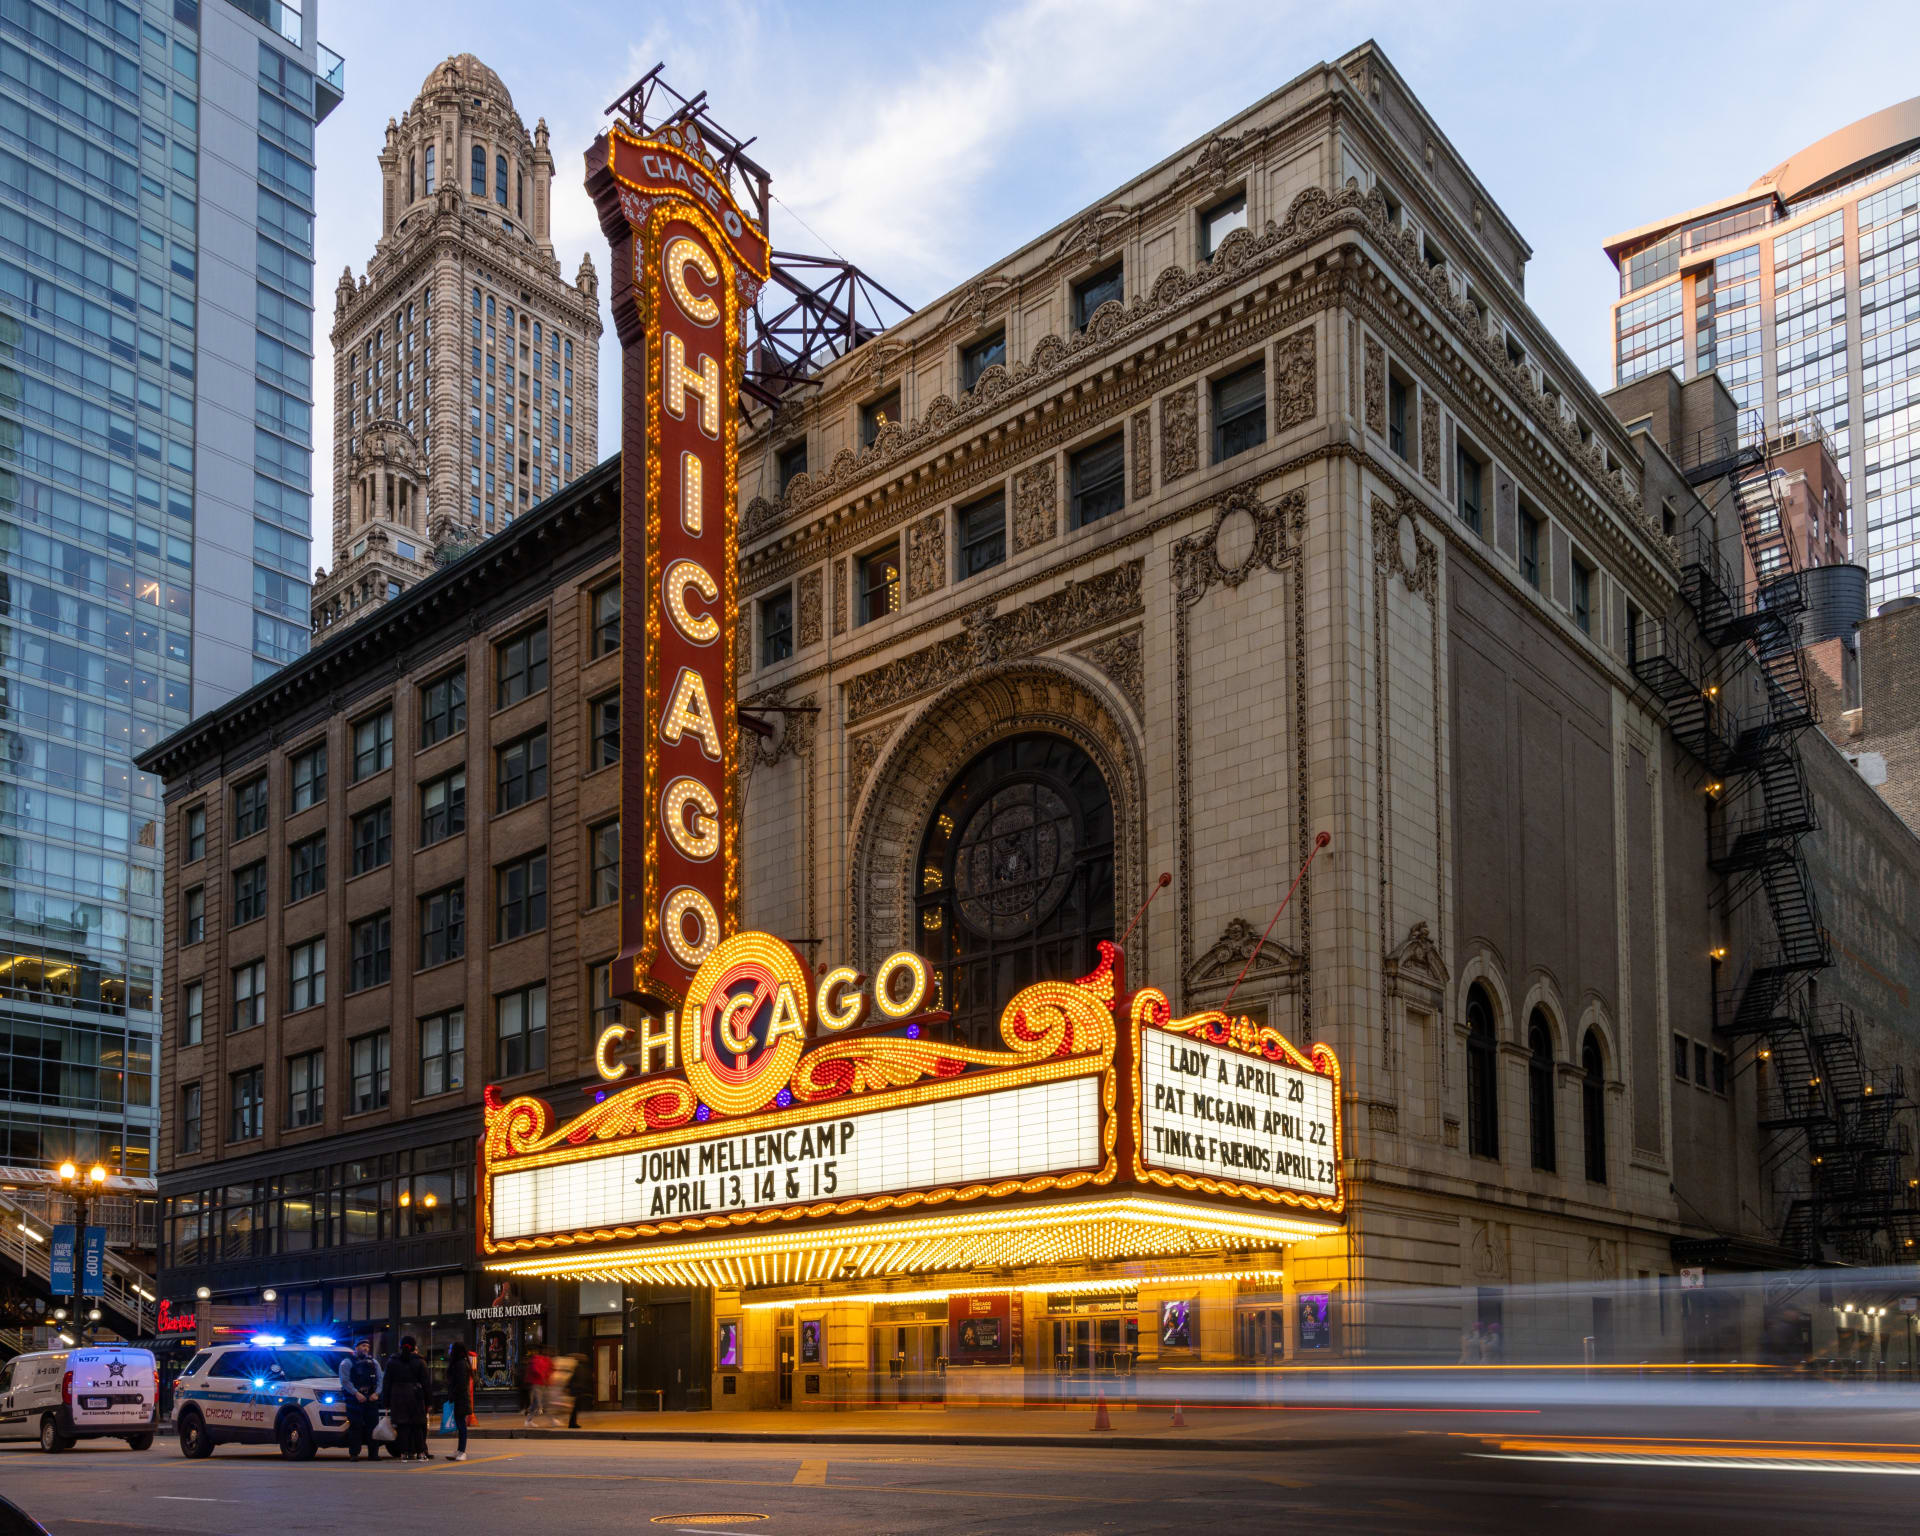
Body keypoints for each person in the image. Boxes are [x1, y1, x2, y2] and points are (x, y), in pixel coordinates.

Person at [383, 1335, 431, 1462]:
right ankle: (420, 1453)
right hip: (416, 1396)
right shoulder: (420, 1362)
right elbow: (426, 1383)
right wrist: (429, 1402)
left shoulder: (392, 1362)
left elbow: (386, 1382)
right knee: (418, 1426)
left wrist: (386, 1401)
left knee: (402, 1426)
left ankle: (404, 1453)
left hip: (397, 1397)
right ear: (414, 1347)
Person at [339, 1338, 385, 1461]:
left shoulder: (374, 1363)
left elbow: (380, 1380)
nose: (366, 1348)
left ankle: (373, 1454)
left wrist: (377, 1393)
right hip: (355, 1400)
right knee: (356, 1426)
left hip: (371, 1398)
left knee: (373, 1426)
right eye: (363, 1345)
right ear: (356, 1347)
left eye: (367, 1346)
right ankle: (354, 1454)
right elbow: (345, 1381)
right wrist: (356, 1393)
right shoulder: (347, 1362)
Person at [444, 1340, 475, 1462]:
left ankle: (462, 1451)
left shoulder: (460, 1364)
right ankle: (459, 1450)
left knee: (461, 1425)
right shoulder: (459, 1363)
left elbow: (460, 1384)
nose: (449, 1351)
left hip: (460, 1399)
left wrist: (453, 1395)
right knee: (459, 1424)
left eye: (451, 1348)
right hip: (459, 1398)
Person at [527, 1349, 552, 1426]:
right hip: (538, 1383)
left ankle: (528, 1421)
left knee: (538, 1402)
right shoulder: (538, 1360)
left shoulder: (541, 1360)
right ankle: (530, 1419)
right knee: (540, 1401)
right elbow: (537, 1371)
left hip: (540, 1383)